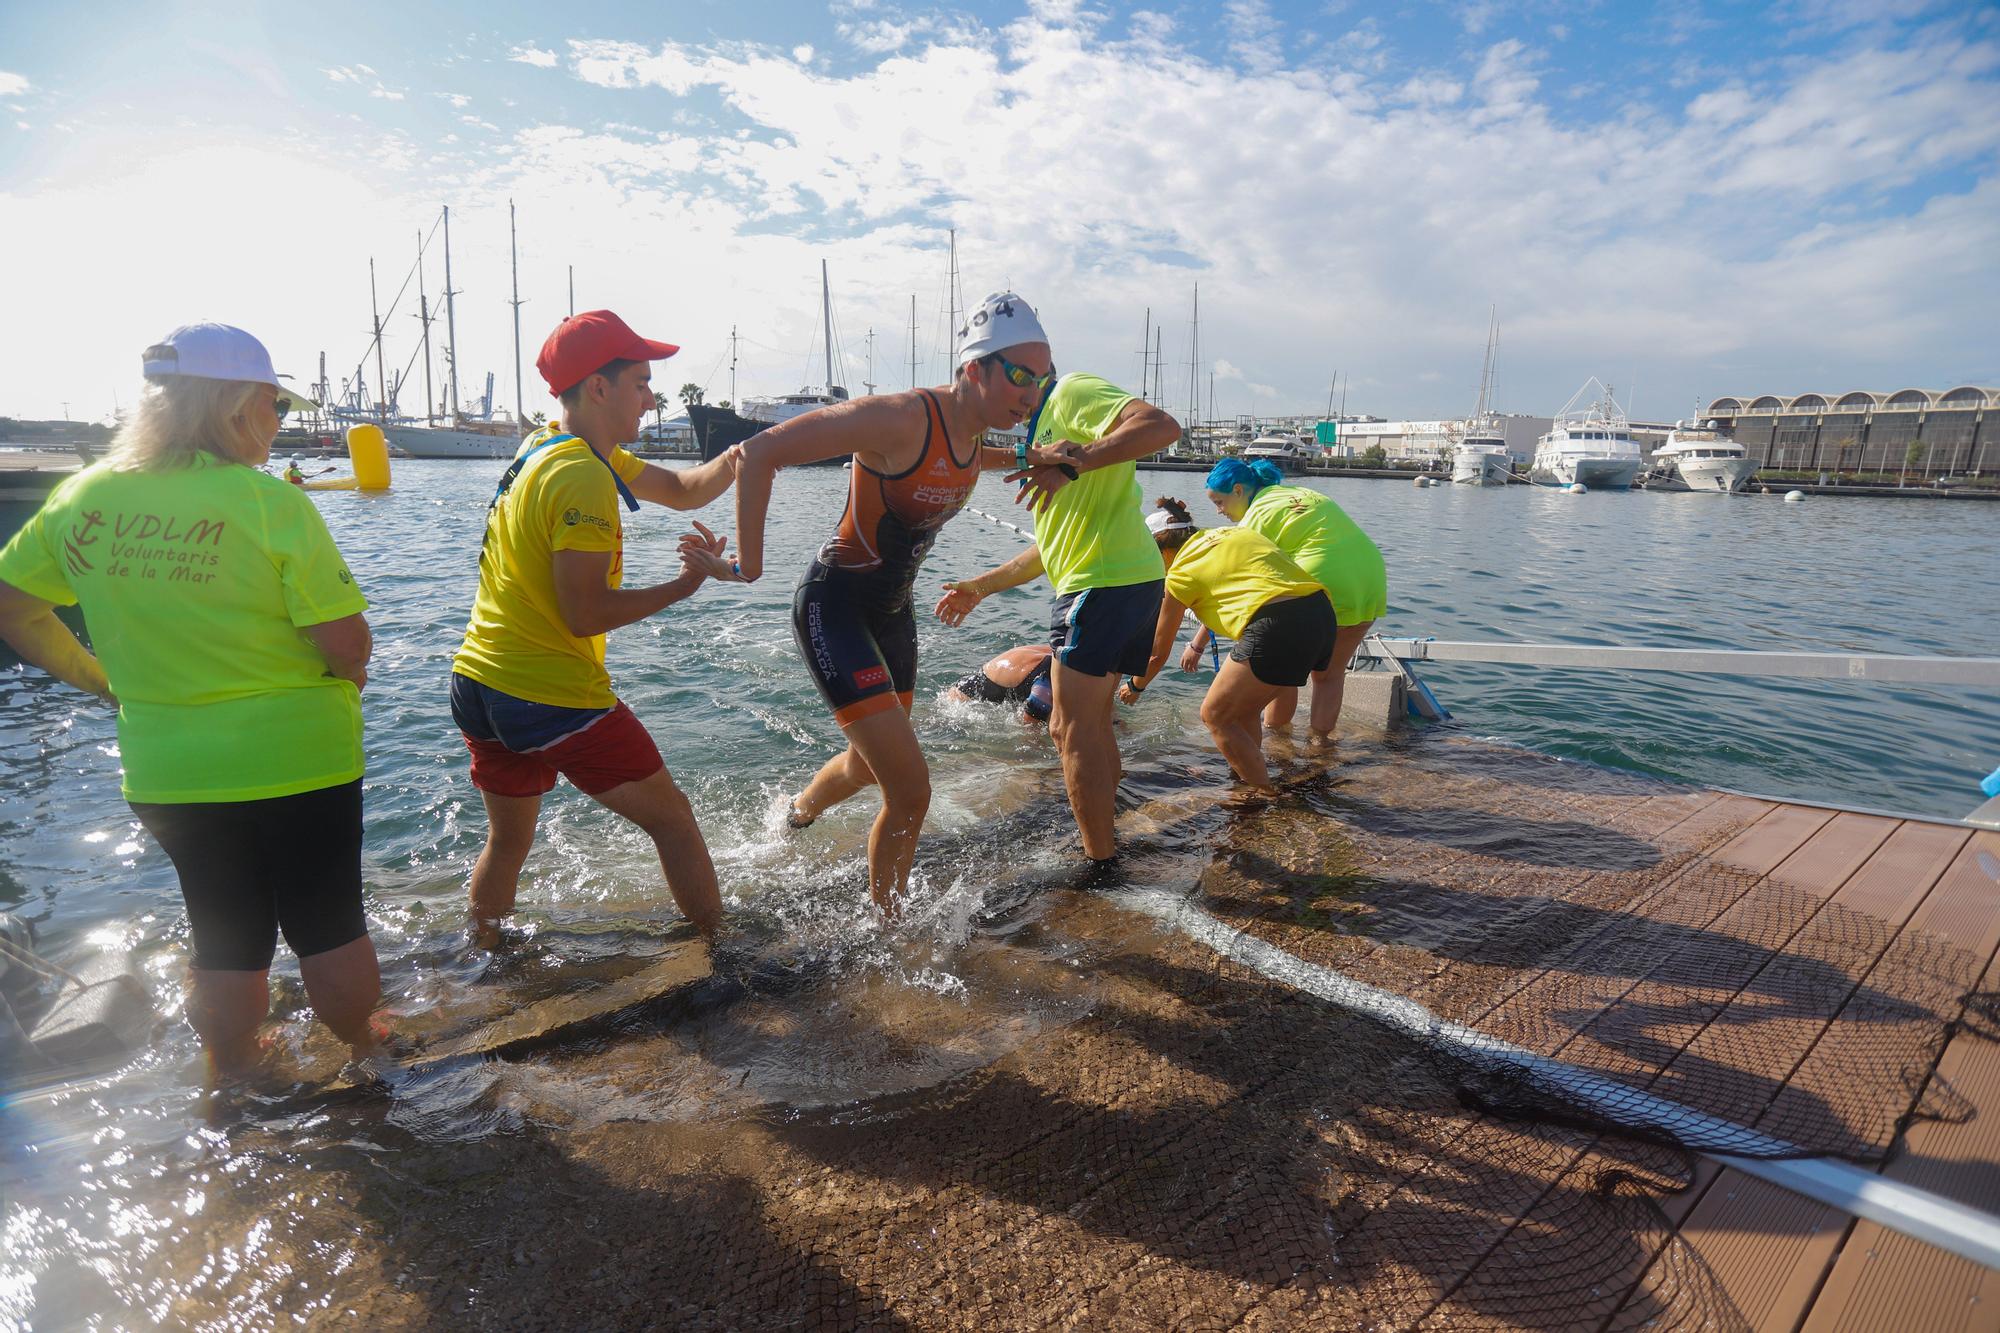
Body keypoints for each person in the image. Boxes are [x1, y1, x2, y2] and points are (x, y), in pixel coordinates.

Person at [0, 323, 384, 1079]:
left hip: (170, 767)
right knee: (328, 921)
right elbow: (349, 644)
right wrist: (348, 675)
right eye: (275, 406)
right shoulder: (268, 503)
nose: (279, 424)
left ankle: (232, 1061)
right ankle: (367, 1048)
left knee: (225, 932)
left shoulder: (82, 499)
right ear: (236, 405)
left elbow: (11, 607)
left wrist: (102, 679)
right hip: (299, 755)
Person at [730, 291, 1078, 912]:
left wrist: (1037, 454)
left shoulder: (973, 434)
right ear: (975, 368)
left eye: (1044, 378)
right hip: (833, 606)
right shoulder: (899, 418)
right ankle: (890, 928)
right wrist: (748, 567)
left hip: (893, 614)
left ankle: (797, 813)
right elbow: (760, 452)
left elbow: (972, 458)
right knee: (912, 790)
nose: (1033, 393)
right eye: (1022, 375)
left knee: (870, 768)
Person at [450, 310, 742, 948]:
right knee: (674, 822)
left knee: (508, 841)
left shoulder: (551, 448)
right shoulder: (583, 474)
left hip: (478, 683)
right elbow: (583, 614)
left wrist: (746, 455)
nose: (651, 396)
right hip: (546, 689)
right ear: (598, 388)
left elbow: (687, 489)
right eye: (639, 382)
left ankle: (482, 967)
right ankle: (723, 952)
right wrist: (683, 586)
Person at [933, 368, 1181, 864]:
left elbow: (1160, 426)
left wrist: (1074, 463)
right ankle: (1109, 829)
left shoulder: (1070, 392)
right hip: (1124, 580)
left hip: (1103, 582)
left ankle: (1100, 862)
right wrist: (980, 587)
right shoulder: (1040, 432)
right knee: (1090, 726)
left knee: (1068, 729)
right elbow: (1047, 552)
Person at [1119, 498, 1337, 790]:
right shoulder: (1234, 533)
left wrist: (1135, 686)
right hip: (1321, 613)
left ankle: (1263, 794)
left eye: (1150, 555)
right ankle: (1244, 780)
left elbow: (1158, 653)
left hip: (1277, 625)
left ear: (1164, 549)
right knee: (1243, 711)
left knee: (1215, 714)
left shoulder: (1181, 573)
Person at [1190, 458, 1386, 740]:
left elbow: (1230, 587)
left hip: (1323, 581)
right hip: (1370, 577)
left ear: (1237, 491)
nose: (1219, 512)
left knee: (1280, 672)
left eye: (1219, 503)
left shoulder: (1254, 518)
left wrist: (1197, 644)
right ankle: (1319, 747)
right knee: (1330, 675)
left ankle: (1277, 738)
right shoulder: (1301, 493)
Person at [946, 643, 1054, 725]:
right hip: (965, 699)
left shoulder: (1061, 652)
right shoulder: (1048, 677)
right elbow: (1030, 731)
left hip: (977, 684)